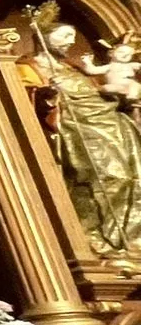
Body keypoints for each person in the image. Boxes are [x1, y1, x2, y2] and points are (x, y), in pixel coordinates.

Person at [31, 18, 141, 257]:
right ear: (45, 35)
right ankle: (106, 240)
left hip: (107, 118)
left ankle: (132, 240)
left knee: (134, 174)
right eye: (64, 36)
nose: (70, 42)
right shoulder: (28, 66)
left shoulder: (72, 66)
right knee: (111, 175)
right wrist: (49, 93)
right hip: (76, 125)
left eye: (72, 36)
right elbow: (27, 100)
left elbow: (99, 89)